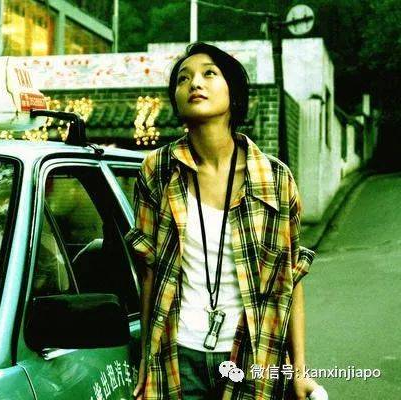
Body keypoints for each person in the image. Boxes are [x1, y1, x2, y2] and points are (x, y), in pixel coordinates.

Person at [125, 42, 319, 400]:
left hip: (253, 354)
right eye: (183, 79)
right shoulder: (157, 170)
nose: (195, 83)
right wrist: (145, 362)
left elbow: (289, 280)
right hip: (178, 355)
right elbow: (149, 273)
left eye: (209, 74)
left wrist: (299, 370)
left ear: (234, 92)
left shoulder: (275, 179)